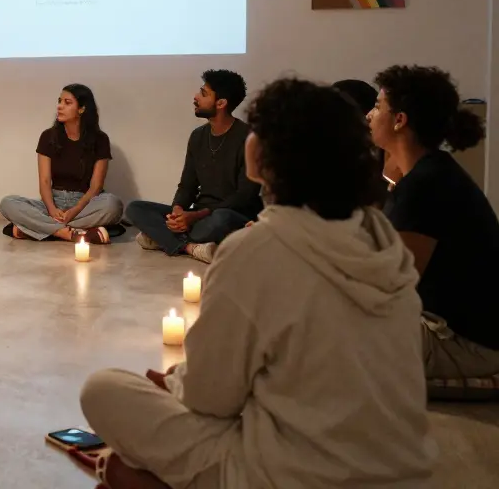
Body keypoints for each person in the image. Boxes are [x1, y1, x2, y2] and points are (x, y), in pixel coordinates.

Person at [79, 78, 432, 489]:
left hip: (290, 475)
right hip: (404, 471)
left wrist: (177, 381)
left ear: (262, 153)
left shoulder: (257, 249)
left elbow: (210, 398)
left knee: (103, 388)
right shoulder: (381, 239)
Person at [370, 65, 499, 384]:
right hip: (448, 329)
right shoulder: (423, 173)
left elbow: (393, 282)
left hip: (462, 343)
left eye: (376, 107)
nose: (369, 117)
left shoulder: (426, 185)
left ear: (399, 120)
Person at [124, 70, 261, 263]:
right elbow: (187, 185)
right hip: (198, 215)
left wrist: (195, 216)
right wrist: (178, 211)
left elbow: (245, 196)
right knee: (134, 208)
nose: (195, 97)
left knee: (220, 220)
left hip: (231, 214)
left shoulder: (248, 138)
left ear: (221, 103)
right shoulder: (197, 136)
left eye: (204, 94)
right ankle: (191, 247)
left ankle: (162, 239)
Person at [0, 84, 123, 243]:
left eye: (67, 102)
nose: (60, 106)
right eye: (59, 101)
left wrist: (74, 210)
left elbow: (96, 187)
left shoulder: (100, 139)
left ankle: (35, 229)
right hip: (53, 201)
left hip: (85, 204)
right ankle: (69, 233)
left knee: (113, 205)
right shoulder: (48, 136)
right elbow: (44, 181)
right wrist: (51, 210)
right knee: (7, 203)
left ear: (81, 109)